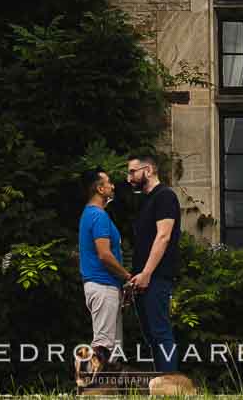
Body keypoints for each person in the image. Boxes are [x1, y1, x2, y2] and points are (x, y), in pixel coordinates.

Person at [125, 153, 182, 374]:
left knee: (160, 332)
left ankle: (170, 386)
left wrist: (147, 273)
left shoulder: (165, 196)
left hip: (157, 278)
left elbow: (163, 237)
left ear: (148, 170)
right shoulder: (147, 201)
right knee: (151, 335)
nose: (129, 178)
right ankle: (162, 383)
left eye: (132, 171)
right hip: (144, 279)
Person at [78, 169, 129, 373]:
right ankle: (90, 389)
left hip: (104, 286)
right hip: (103, 285)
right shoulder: (98, 216)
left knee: (113, 348)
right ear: (100, 188)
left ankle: (109, 390)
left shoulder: (91, 214)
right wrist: (126, 276)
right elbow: (104, 255)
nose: (113, 186)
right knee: (103, 345)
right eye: (109, 183)